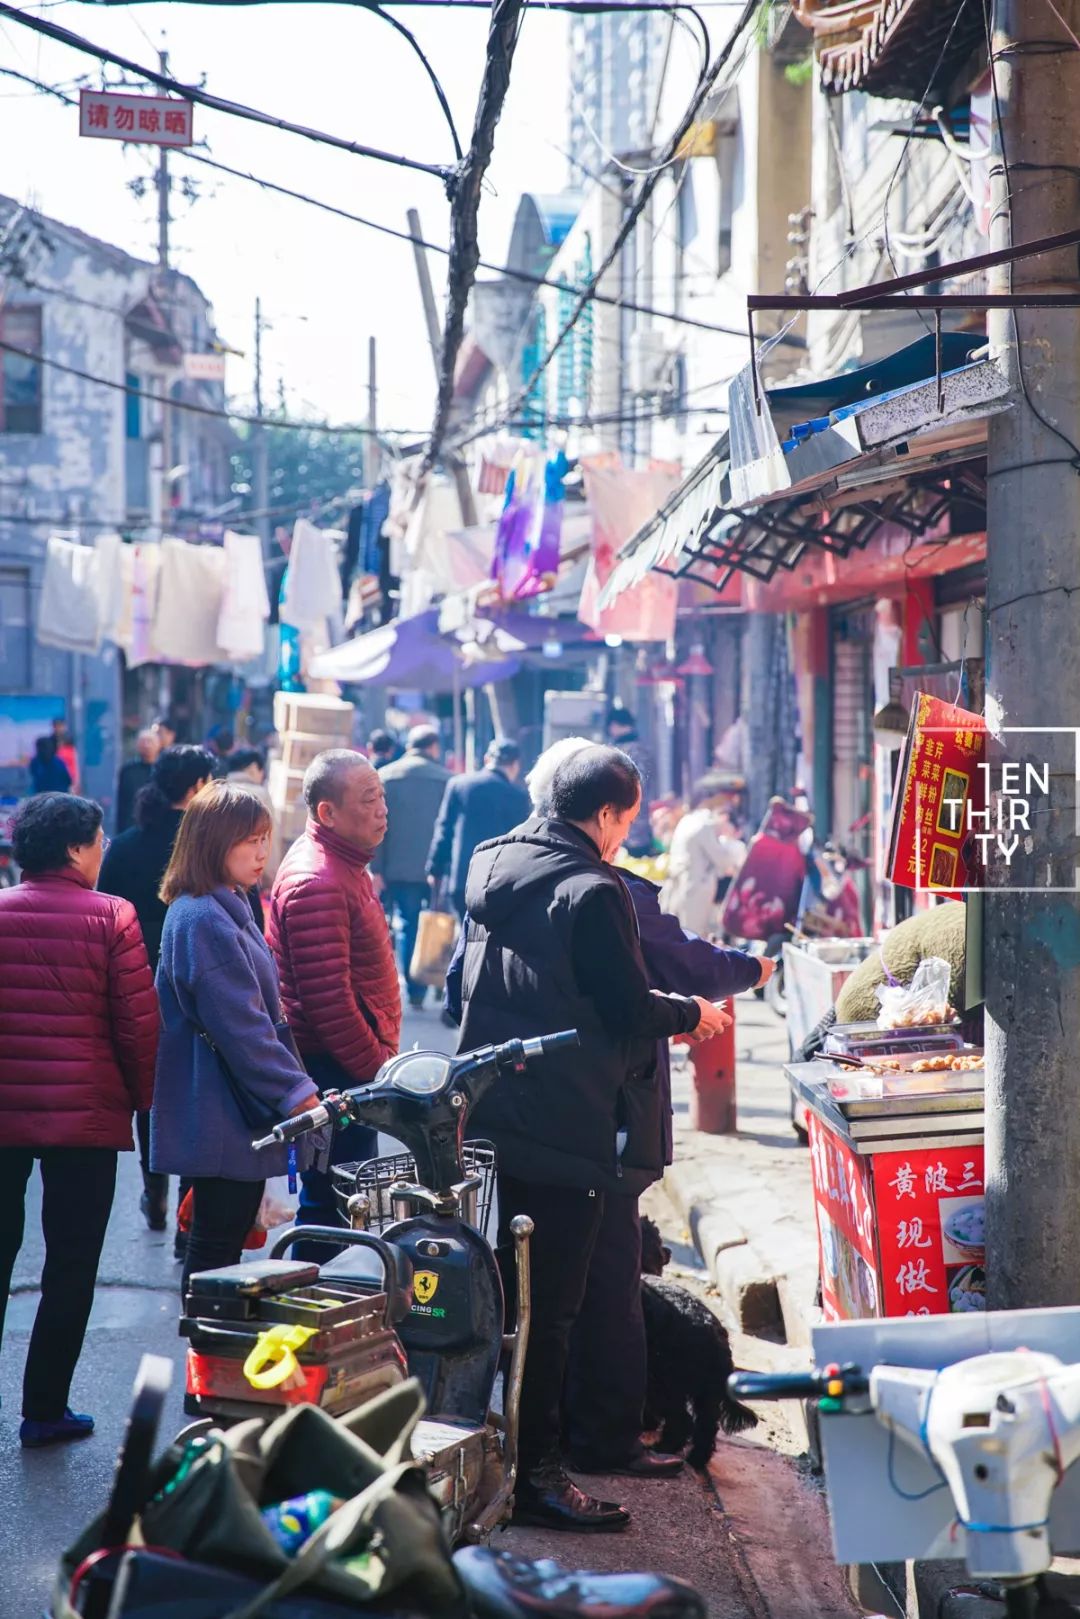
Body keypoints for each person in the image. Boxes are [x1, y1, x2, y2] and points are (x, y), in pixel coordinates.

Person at [451, 738, 769, 1479]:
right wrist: (691, 1012)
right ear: (602, 813)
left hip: (499, 1108)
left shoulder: (492, 862)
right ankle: (545, 1470)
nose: (626, 835)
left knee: (521, 1288)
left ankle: (523, 1441)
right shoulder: (595, 890)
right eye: (625, 819)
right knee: (563, 1305)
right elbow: (623, 1005)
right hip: (570, 1116)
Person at [0, 793, 158, 1447]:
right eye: (97, 841)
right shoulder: (112, 916)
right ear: (74, 849)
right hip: (84, 1123)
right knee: (70, 1264)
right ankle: (43, 1410)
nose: (102, 852)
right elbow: (138, 1027)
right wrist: (146, 1105)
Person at [152, 781, 322, 1290]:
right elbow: (243, 1028)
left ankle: (208, 1359)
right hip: (221, 1111)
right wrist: (297, 1094)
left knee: (221, 1248)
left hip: (227, 1109)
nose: (261, 852)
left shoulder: (223, 906)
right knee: (215, 1254)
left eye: (265, 839)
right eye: (249, 841)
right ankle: (204, 1362)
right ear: (212, 843)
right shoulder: (205, 917)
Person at [269, 751, 401, 1246]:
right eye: (369, 800)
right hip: (336, 1073)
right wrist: (375, 1073)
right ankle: (306, 1314)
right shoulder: (317, 881)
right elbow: (329, 1007)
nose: (382, 809)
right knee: (331, 1209)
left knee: (347, 1206)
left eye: (382, 796)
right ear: (328, 813)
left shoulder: (344, 864)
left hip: (349, 1070)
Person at [98, 745, 216, 1236]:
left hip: (134, 986)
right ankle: (189, 1214)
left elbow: (103, 917)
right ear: (195, 787)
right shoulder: (205, 846)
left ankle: (155, 1192)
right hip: (195, 985)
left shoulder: (125, 844)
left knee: (150, 1094)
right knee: (194, 1091)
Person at [373, 725, 451, 1008]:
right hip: (438, 869)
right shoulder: (447, 780)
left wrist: (377, 868)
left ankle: (415, 990)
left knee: (407, 922)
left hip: (397, 866)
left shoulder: (386, 777)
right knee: (442, 924)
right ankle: (440, 982)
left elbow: (377, 827)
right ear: (433, 747)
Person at [426, 738, 531, 919]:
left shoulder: (458, 785)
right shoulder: (519, 796)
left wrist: (435, 869)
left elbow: (444, 830)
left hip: (461, 878)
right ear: (515, 765)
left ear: (486, 759)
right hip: (500, 880)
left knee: (464, 935)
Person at [661, 775, 747, 937]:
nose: (729, 802)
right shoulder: (704, 824)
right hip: (695, 890)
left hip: (683, 887)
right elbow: (723, 860)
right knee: (693, 938)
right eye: (727, 798)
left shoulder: (688, 819)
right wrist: (730, 841)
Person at [604, 705, 655, 858]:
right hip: (633, 821)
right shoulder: (639, 748)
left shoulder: (623, 750)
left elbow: (637, 785)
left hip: (627, 823)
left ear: (614, 725)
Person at [116, 729, 160, 832]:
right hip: (131, 823)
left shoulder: (164, 769)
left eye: (150, 741)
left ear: (158, 745)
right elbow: (122, 802)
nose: (146, 745)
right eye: (143, 742)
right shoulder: (128, 770)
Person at [226, 746, 273, 812]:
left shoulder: (218, 791)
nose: (262, 777)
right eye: (262, 772)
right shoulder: (261, 795)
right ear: (253, 768)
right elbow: (271, 821)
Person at [52, 719, 80, 792]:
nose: (58, 728)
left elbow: (74, 763)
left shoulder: (70, 742)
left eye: (60, 726)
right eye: (56, 726)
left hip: (70, 775)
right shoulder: (52, 741)